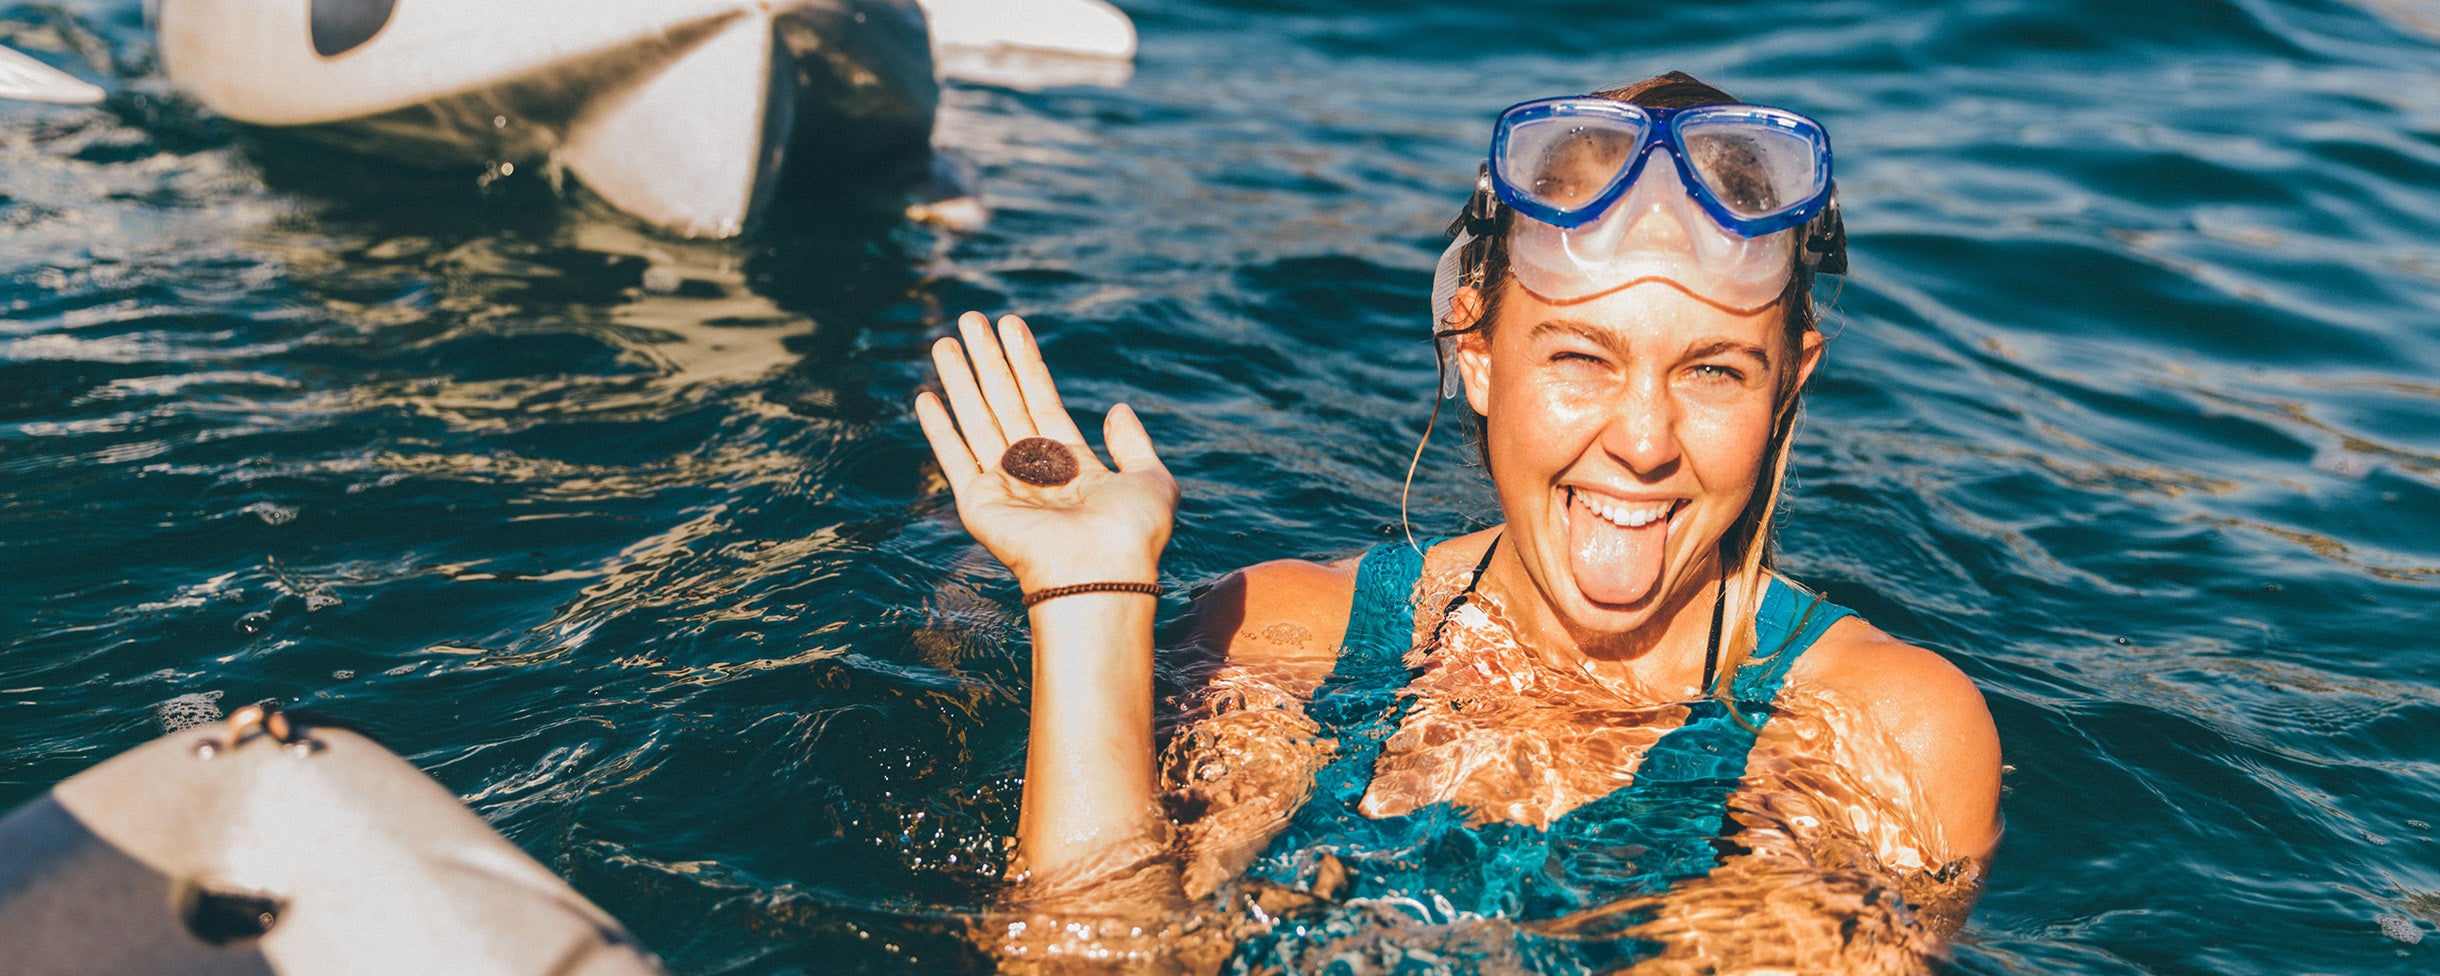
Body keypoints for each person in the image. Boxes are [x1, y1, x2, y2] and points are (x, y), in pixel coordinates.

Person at [915, 72, 2001, 972]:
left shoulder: (1888, 730)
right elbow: (1087, 955)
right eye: (1581, 356)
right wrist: (1089, 603)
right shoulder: (1282, 638)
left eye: (1713, 371)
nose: (1642, 439)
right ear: (1475, 349)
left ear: (1786, 388)